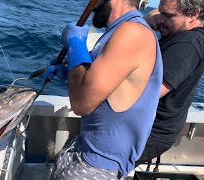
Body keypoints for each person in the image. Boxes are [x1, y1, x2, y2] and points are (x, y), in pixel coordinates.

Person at [44, 0, 163, 179]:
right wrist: (69, 72)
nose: (91, 4)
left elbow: (82, 103)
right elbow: (102, 83)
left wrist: (75, 44)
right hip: (85, 149)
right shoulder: (118, 30)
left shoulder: (133, 32)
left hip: (98, 166)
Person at [135, 0, 204, 166]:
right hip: (145, 126)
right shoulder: (182, 30)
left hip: (150, 132)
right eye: (161, 12)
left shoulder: (187, 45)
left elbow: (148, 93)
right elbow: (155, 15)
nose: (161, 19)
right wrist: (151, 20)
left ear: (193, 14)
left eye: (168, 16)